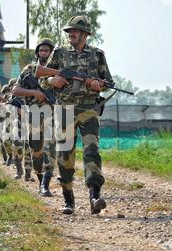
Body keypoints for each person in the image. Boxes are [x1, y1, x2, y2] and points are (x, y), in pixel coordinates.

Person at [43, 16, 113, 215]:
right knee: (65, 155)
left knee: (92, 151)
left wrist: (99, 84)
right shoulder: (59, 53)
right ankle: (68, 199)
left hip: (89, 109)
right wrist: (51, 81)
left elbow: (108, 82)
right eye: (69, 31)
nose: (70, 34)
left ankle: (94, 195)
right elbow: (42, 79)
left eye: (74, 31)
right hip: (64, 109)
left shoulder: (97, 55)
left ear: (85, 34)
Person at [12, 38, 57, 196]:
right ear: (37, 52)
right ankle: (40, 180)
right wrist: (34, 93)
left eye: (47, 50)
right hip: (34, 114)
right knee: (35, 150)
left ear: (52, 53)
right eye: (41, 50)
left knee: (51, 148)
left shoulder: (57, 70)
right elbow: (15, 91)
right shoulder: (29, 69)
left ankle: (46, 183)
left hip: (54, 114)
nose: (43, 53)